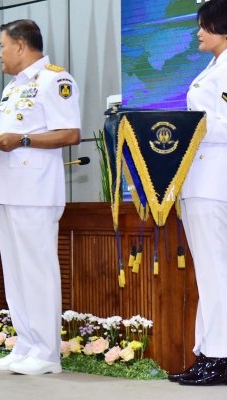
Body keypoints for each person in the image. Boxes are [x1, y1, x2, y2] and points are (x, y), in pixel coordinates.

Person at [0, 19, 81, 375]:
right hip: (8, 188)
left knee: (38, 271)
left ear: (20, 46)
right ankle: (26, 345)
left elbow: (71, 133)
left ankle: (47, 354)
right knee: (15, 273)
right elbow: (13, 137)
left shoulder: (54, 80)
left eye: (2, 45)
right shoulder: (13, 87)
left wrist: (23, 140)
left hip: (35, 191)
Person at [170, 0, 227, 386]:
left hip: (215, 181)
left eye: (204, 25)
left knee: (216, 275)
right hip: (201, 181)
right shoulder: (213, 67)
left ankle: (220, 358)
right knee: (209, 276)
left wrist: (188, 129)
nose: (198, 32)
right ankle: (209, 352)